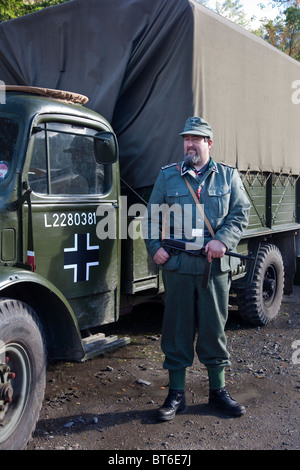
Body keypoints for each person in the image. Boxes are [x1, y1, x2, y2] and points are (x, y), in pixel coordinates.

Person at [144, 116, 250, 420]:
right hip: (177, 267)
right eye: (186, 139)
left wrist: (223, 241)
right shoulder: (168, 176)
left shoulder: (228, 177)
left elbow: (240, 215)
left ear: (209, 143)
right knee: (176, 331)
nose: (189, 144)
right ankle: (176, 395)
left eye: (196, 139)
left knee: (214, 330)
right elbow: (151, 218)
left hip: (212, 268)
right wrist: (156, 249)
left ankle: (218, 392)